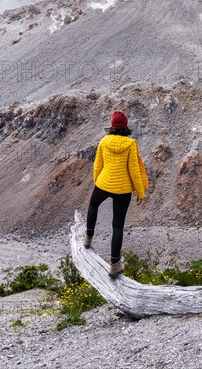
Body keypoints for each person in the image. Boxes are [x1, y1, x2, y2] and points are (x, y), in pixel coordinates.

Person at [84, 110, 148, 278]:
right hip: (123, 189)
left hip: (104, 183)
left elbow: (98, 164)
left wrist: (97, 181)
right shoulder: (130, 144)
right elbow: (134, 170)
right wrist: (140, 193)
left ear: (112, 126)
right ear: (125, 126)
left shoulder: (104, 141)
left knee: (93, 205)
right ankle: (114, 265)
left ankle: (88, 238)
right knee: (117, 226)